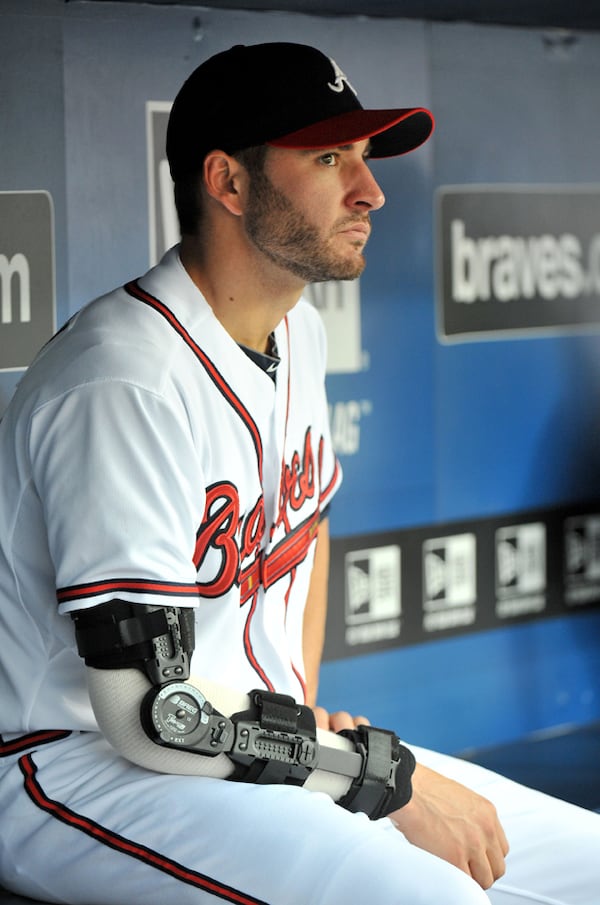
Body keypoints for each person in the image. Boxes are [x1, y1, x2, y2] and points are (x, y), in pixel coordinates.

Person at [0, 41, 598, 905]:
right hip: (74, 768)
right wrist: (367, 774)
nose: (371, 191)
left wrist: (302, 729)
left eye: (363, 158)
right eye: (329, 159)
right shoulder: (121, 382)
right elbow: (152, 714)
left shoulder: (297, 332)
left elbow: (303, 538)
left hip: (242, 748)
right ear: (229, 184)